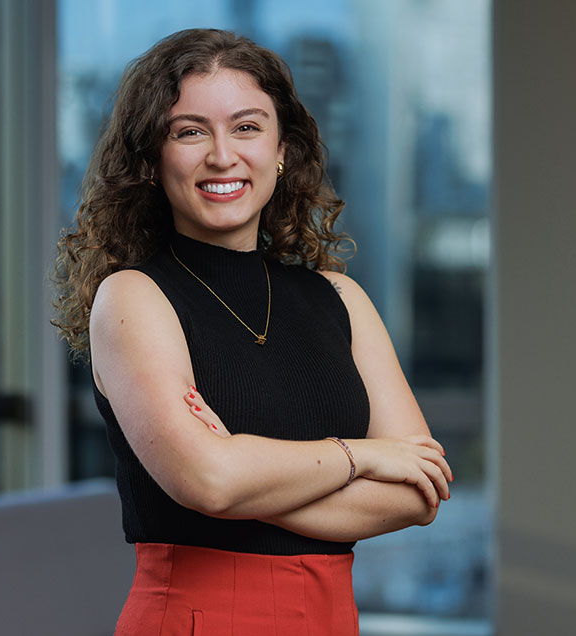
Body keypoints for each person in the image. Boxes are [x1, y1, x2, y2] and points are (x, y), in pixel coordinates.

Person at [53, 28, 452, 636]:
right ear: (152, 159)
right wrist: (364, 456)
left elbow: (419, 492)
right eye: (189, 132)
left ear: (283, 148)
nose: (222, 155)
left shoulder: (340, 299)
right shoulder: (133, 296)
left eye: (246, 127)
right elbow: (208, 480)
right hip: (195, 620)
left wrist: (246, 474)